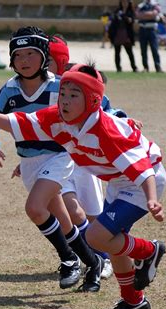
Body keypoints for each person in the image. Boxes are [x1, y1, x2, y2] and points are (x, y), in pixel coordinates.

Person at [0, 63, 166, 309]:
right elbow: (19, 123)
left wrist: (151, 198)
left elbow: (142, 168)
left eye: (74, 95)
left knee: (97, 237)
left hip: (141, 181)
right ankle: (133, 302)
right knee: (112, 242)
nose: (65, 100)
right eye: (63, 93)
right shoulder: (58, 117)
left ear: (93, 101)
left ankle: (148, 250)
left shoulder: (105, 130)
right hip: (119, 182)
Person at [0, 27, 104, 292]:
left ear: (45, 55)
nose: (24, 60)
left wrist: (121, 120)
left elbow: (98, 106)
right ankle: (92, 263)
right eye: (18, 54)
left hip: (59, 155)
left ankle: (68, 260)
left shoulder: (61, 86)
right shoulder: (9, 91)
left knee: (34, 208)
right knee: (62, 218)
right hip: (30, 161)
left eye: (31, 53)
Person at [47, 36, 113, 280]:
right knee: (72, 211)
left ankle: (103, 256)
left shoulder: (75, 82)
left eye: (48, 61)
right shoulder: (37, 90)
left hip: (84, 163)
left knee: (93, 215)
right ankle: (92, 257)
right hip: (56, 163)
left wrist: (124, 119)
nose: (41, 65)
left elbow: (105, 107)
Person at [109, 0, 138, 72]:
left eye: (126, 2)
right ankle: (118, 68)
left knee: (130, 53)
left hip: (126, 35)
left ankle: (134, 67)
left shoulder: (130, 11)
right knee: (117, 52)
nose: (124, 4)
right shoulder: (117, 11)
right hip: (118, 34)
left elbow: (131, 21)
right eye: (123, 2)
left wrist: (124, 16)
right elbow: (113, 21)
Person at [136, 0, 163, 72]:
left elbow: (154, 14)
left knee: (155, 49)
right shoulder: (141, 5)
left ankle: (158, 67)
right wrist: (149, 15)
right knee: (143, 50)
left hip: (152, 30)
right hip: (142, 30)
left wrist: (143, 15)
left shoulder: (156, 4)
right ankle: (145, 67)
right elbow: (137, 15)